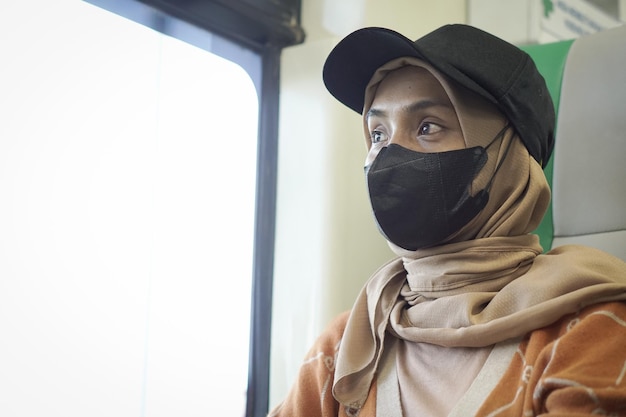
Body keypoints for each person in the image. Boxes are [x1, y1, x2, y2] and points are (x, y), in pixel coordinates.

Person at [269, 24, 626, 417]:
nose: (389, 157)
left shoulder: (592, 330)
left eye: (427, 127)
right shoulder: (347, 344)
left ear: (507, 158)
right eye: (378, 134)